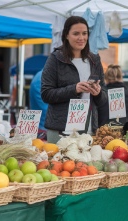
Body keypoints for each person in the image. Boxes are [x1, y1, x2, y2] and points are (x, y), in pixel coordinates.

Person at [41, 16, 107, 144]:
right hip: (60, 130)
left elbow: (104, 98)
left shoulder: (95, 60)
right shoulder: (55, 59)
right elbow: (46, 94)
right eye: (76, 33)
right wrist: (74, 89)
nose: (81, 38)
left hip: (88, 130)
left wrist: (98, 93)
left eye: (84, 33)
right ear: (66, 35)